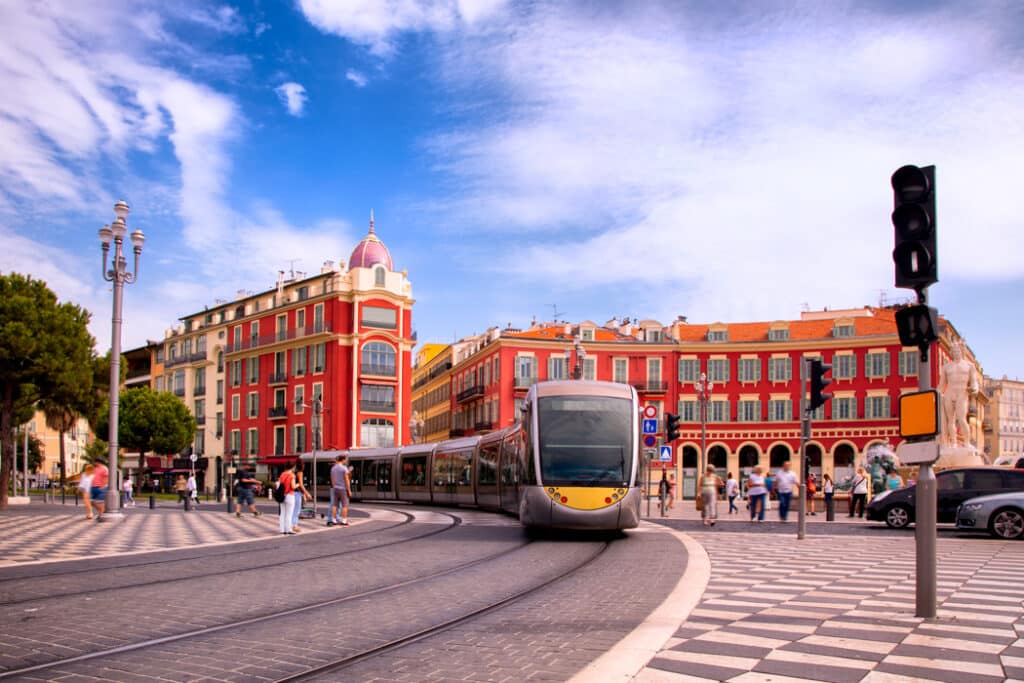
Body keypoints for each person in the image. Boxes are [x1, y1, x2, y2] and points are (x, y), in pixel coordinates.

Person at [290, 457, 312, 533]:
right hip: (297, 493)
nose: (304, 465)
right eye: (303, 464)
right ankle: (294, 526)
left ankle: (292, 525)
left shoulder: (293, 472)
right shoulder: (300, 472)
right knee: (296, 510)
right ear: (302, 465)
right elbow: (301, 485)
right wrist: (307, 493)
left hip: (293, 492)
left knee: (293, 510)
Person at [329, 454, 351, 527]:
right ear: (343, 460)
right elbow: (347, 480)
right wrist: (349, 490)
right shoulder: (344, 468)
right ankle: (344, 521)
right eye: (345, 460)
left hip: (335, 489)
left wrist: (334, 486)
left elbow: (332, 480)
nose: (346, 461)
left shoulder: (333, 468)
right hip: (343, 489)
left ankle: (333, 520)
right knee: (344, 505)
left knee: (335, 505)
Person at [278, 462, 297, 535]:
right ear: (293, 467)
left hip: (282, 495)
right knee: (289, 514)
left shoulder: (282, 474)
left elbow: (280, 484)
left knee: (282, 513)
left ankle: (282, 530)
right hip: (290, 495)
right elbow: (293, 487)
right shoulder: (292, 475)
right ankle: (288, 529)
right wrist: (298, 484)